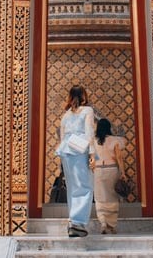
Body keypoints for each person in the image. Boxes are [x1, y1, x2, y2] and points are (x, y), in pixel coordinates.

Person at [55, 85, 95, 237]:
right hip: (80, 149)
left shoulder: (66, 115)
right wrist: (92, 154)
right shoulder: (88, 111)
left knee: (73, 187)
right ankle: (77, 223)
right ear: (84, 95)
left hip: (66, 150)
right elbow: (89, 132)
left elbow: (62, 136)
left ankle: (74, 221)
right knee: (85, 186)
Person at [93, 118, 126, 234]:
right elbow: (119, 158)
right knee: (112, 197)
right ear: (108, 128)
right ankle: (111, 225)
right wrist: (123, 172)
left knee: (99, 197)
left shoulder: (94, 141)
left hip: (98, 171)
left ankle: (103, 222)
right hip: (111, 169)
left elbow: (91, 159)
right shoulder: (114, 140)